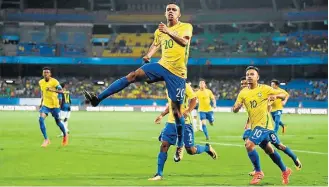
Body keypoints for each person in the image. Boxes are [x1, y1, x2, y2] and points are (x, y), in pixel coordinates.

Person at [83, 2, 193, 156]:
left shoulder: (186, 26)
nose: (171, 12)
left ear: (179, 14)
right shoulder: (159, 31)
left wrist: (167, 31)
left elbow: (184, 42)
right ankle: (98, 99)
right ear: (165, 13)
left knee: (176, 113)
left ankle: (180, 145)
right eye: (168, 9)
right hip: (162, 65)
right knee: (132, 75)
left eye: (174, 10)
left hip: (177, 73)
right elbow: (156, 45)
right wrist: (149, 55)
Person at [233, 66, 292, 185]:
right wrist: (237, 107)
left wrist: (276, 96)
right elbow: (234, 109)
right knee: (269, 150)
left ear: (257, 77)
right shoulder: (243, 92)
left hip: (264, 125)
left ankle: (258, 172)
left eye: (252, 74)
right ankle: (285, 170)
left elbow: (284, 95)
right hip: (255, 126)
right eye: (247, 74)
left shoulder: (265, 89)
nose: (249, 76)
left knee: (249, 145)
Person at [149, 83, 217, 181]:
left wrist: (188, 110)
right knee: (164, 145)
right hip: (171, 122)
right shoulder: (169, 86)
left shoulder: (185, 86)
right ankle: (159, 174)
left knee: (190, 150)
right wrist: (161, 115)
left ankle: (207, 148)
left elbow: (194, 99)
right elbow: (171, 105)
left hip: (185, 122)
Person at [38, 67, 68, 147]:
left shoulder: (54, 82)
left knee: (58, 122)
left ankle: (65, 135)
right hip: (46, 105)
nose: (46, 74)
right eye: (44, 72)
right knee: (41, 119)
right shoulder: (41, 82)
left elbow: (62, 91)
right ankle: (46, 139)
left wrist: (52, 90)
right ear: (43, 73)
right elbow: (42, 93)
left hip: (55, 105)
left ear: (50, 74)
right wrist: (41, 103)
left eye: (47, 72)